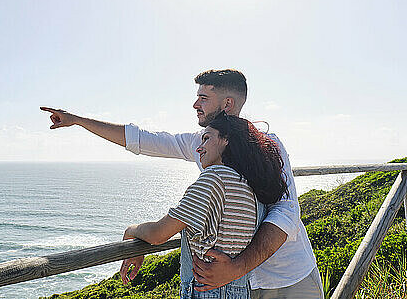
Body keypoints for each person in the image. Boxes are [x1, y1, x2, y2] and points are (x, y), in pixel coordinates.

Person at [40, 69, 323, 298]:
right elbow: (141, 139)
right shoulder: (203, 144)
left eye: (203, 97)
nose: (195, 104)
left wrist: (238, 268)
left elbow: (285, 213)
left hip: (288, 274)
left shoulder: (268, 145)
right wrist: (76, 120)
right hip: (239, 286)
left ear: (227, 104)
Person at [119, 112, 287, 298]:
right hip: (240, 290)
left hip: (207, 290)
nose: (199, 148)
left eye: (206, 139)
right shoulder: (250, 184)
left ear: (226, 140)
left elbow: (159, 233)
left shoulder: (214, 178)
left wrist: (130, 231)